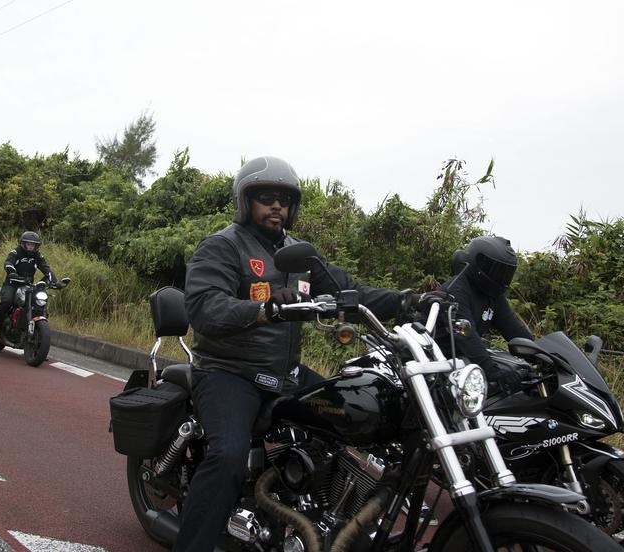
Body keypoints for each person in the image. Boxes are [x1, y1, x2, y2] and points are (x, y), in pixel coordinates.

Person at [175, 156, 445, 552]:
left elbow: (348, 291)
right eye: (265, 197)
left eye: (284, 199)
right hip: (230, 372)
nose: (276, 206)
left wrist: (408, 300)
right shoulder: (222, 246)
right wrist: (263, 307)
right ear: (244, 201)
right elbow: (204, 307)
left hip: (286, 375)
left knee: (359, 415)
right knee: (229, 456)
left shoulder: (300, 254)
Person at [439, 235, 534, 394]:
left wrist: (541, 355)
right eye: (496, 270)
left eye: (506, 272)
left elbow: (514, 330)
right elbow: (465, 334)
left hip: (462, 360)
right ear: (478, 263)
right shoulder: (456, 290)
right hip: (435, 361)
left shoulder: (493, 295)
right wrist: (493, 371)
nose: (501, 277)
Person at [0, 231, 58, 338]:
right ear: (23, 243)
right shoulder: (16, 252)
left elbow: (45, 267)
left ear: (36, 245)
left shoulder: (37, 255)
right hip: (12, 284)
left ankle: (31, 328)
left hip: (28, 285)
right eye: (29, 244)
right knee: (7, 302)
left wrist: (53, 280)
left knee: (38, 303)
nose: (31, 246)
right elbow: (8, 263)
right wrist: (12, 273)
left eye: (33, 244)